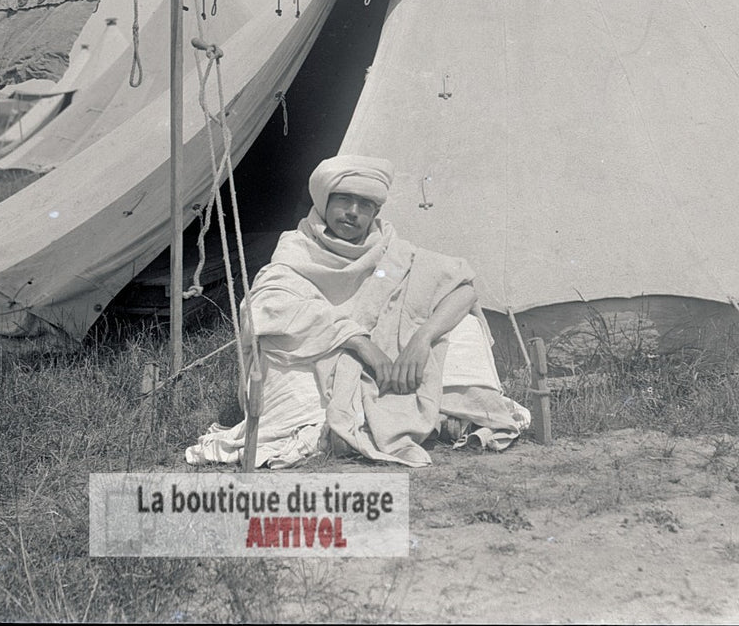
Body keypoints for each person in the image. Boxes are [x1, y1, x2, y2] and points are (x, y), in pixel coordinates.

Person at [186, 154, 530, 469]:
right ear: (323, 203)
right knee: (277, 351)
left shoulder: (390, 252)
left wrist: (422, 340)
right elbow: (268, 306)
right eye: (343, 200)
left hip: (393, 357)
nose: (352, 212)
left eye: (364, 204)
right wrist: (358, 342)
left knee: (461, 326)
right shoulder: (298, 249)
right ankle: (342, 425)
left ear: (375, 213)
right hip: (327, 354)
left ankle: (440, 412)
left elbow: (462, 287)